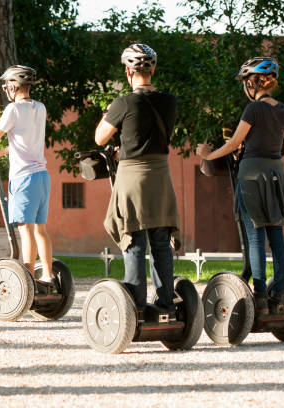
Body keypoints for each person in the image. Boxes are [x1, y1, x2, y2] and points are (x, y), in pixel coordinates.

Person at [197, 56, 284, 315]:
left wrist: (207, 154)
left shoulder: (253, 110)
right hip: (276, 173)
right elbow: (272, 143)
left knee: (255, 236)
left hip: (251, 176)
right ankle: (279, 294)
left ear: (254, 82)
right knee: (277, 235)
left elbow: (231, 144)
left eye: (245, 82)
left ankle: (259, 296)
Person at [95, 43, 180, 317]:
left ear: (128, 72)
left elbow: (100, 138)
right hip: (161, 177)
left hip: (133, 177)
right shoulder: (170, 101)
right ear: (153, 70)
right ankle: (166, 305)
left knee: (134, 240)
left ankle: (137, 307)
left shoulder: (123, 103)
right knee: (161, 241)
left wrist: (108, 113)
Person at [0, 65, 54, 284]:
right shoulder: (40, 108)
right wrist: (5, 151)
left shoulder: (13, 110)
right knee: (40, 230)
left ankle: (29, 280)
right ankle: (49, 276)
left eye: (7, 85)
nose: (6, 89)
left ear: (14, 86)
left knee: (25, 231)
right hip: (42, 177)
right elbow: (28, 140)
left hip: (23, 178)